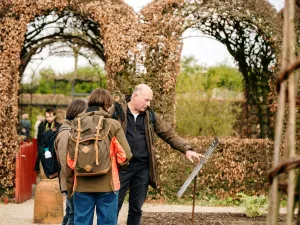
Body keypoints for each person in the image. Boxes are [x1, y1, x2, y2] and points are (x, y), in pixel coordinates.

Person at [113, 84, 204, 225]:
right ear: (135, 96)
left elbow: (169, 134)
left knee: (136, 209)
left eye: (150, 101)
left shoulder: (151, 116)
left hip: (142, 169)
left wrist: (187, 149)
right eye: (146, 100)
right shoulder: (117, 113)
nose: (148, 104)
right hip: (121, 168)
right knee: (113, 207)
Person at [66, 89, 132, 225]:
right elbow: (125, 155)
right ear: (108, 104)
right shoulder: (112, 124)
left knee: (81, 222)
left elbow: (70, 160)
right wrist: (112, 163)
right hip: (108, 184)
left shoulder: (76, 123)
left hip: (82, 185)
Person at [55, 99, 87, 225]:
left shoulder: (71, 130)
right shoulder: (66, 133)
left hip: (71, 181)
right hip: (70, 181)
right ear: (78, 113)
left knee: (70, 212)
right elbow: (65, 163)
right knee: (74, 215)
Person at [34, 108, 62, 173]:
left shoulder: (59, 126)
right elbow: (39, 139)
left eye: (50, 116)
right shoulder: (42, 125)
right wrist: (40, 150)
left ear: (54, 116)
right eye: (47, 117)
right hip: (44, 152)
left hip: (55, 152)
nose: (48, 118)